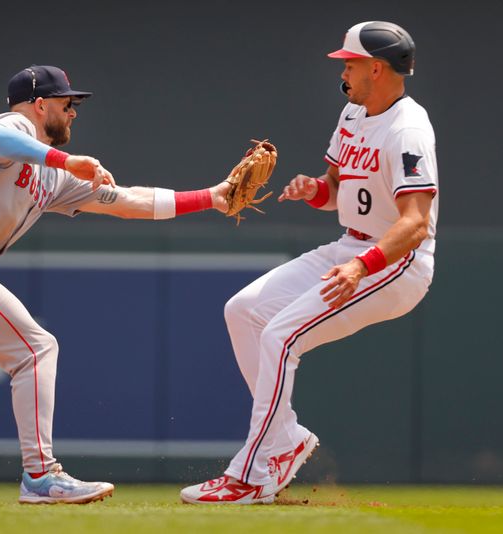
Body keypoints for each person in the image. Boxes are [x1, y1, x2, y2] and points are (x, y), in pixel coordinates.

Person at [0, 64, 234, 504]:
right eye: (68, 104)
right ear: (40, 104)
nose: (73, 113)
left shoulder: (54, 178)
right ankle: (41, 475)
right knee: (35, 349)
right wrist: (66, 158)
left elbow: (128, 202)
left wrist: (210, 197)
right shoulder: (14, 127)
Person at [181, 21, 438, 504]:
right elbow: (337, 189)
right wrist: (312, 190)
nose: (343, 70)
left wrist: (363, 266)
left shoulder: (408, 130)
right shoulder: (353, 113)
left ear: (377, 69)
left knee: (280, 336)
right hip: (351, 246)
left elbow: (416, 223)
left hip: (396, 262)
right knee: (242, 311)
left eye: (351, 63)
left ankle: (251, 476)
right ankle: (285, 440)